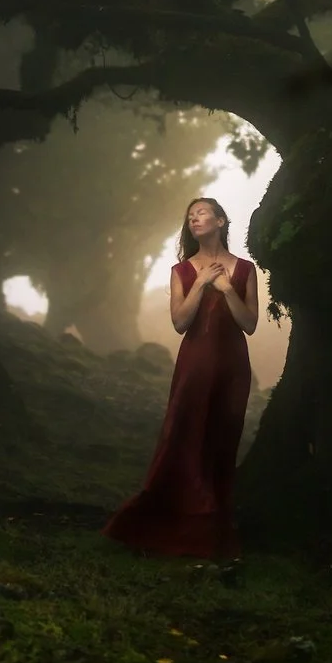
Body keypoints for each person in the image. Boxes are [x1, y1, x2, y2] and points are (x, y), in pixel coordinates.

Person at [104, 195, 259, 558]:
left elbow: (249, 324)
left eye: (202, 213)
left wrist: (225, 290)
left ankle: (214, 525)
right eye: (190, 216)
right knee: (184, 437)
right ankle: (174, 521)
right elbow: (180, 322)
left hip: (233, 367)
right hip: (195, 364)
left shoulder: (244, 269)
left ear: (221, 221)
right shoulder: (182, 271)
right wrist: (202, 283)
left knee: (221, 442)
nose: (195, 219)